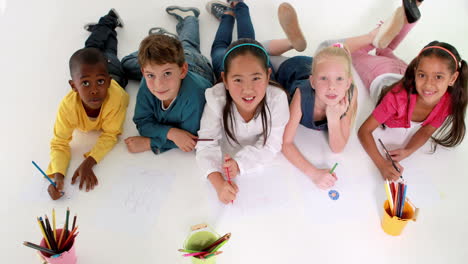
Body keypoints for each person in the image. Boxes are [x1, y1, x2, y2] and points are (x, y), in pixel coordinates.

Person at [357, 2, 467, 180]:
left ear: (453, 79)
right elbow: (364, 131)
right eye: (423, 75)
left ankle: (407, 17)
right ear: (416, 71)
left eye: (438, 77)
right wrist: (381, 164)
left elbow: (425, 131)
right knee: (352, 51)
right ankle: (386, 28)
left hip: (404, 73)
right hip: (381, 74)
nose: (429, 85)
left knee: (385, 49)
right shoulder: (396, 98)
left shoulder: (448, 101)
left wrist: (408, 150)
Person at [263, 3, 357, 189]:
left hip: (317, 67)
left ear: (347, 83)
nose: (331, 87)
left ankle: (294, 45)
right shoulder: (302, 94)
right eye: (324, 79)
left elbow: (337, 148)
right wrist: (313, 173)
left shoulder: (349, 95)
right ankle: (291, 42)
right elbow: (285, 142)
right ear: (313, 82)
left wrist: (333, 117)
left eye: (339, 80)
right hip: (292, 70)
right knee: (259, 52)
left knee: (327, 69)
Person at [46, 9, 129, 199]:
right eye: (85, 83)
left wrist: (89, 161)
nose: (94, 90)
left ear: (106, 82)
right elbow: (59, 142)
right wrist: (58, 175)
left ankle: (109, 21)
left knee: (105, 51)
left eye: (100, 82)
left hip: (114, 72)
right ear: (73, 86)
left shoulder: (113, 99)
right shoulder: (67, 107)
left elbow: (111, 134)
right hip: (104, 69)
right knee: (94, 51)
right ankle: (107, 28)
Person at [121, 6, 214, 154]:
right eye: (150, 75)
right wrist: (171, 133)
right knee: (125, 64)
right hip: (172, 62)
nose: (159, 84)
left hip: (197, 66)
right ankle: (163, 43)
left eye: (167, 74)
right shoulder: (148, 81)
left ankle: (189, 18)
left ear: (182, 71)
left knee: (188, 44)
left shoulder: (196, 97)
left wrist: (151, 143)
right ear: (144, 73)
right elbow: (142, 122)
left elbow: (190, 139)